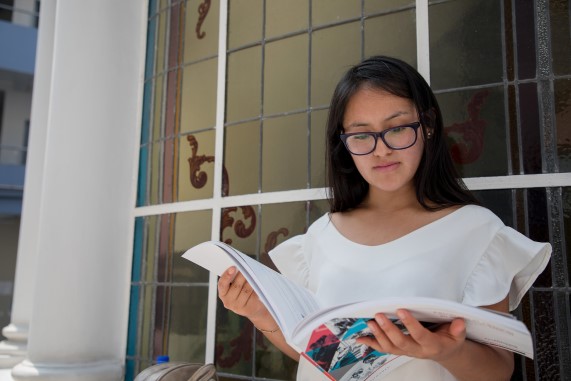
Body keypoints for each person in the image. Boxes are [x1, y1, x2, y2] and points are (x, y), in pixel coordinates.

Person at [217, 56, 552, 380]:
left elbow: (497, 372)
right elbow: (328, 362)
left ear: (428, 126)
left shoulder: (476, 231)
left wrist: (444, 350)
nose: (381, 149)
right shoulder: (320, 237)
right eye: (361, 134)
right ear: (344, 143)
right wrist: (259, 313)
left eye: (397, 128)